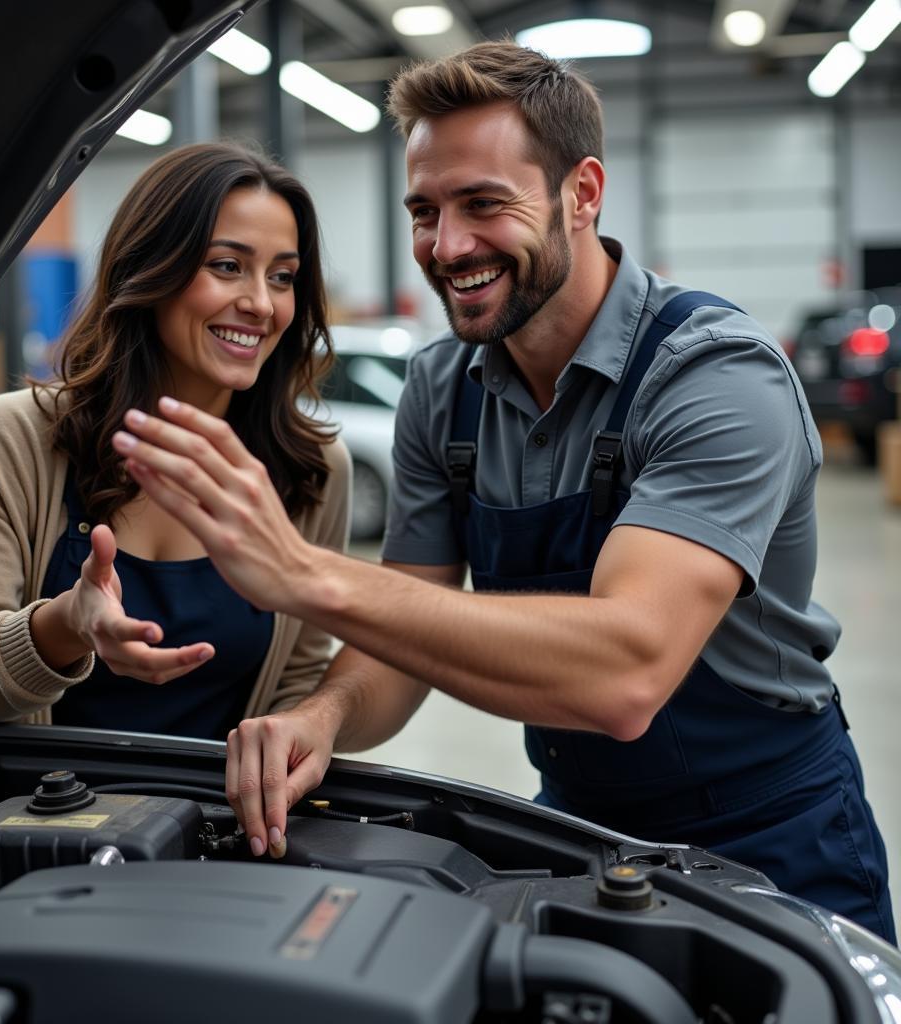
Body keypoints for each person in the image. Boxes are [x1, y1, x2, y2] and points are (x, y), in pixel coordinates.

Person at [112, 45, 895, 940]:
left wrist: (304, 574)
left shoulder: (715, 377)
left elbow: (627, 670)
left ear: (582, 192)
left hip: (771, 837)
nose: (447, 248)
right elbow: (404, 633)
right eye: (424, 212)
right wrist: (323, 715)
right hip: (577, 826)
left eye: (484, 204)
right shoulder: (442, 391)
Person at [0, 143, 351, 782]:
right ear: (151, 269)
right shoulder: (13, 439)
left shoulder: (312, 468)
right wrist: (63, 626)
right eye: (227, 266)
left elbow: (300, 672)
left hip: (222, 840)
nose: (261, 303)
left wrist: (294, 738)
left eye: (282, 276)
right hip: (39, 840)